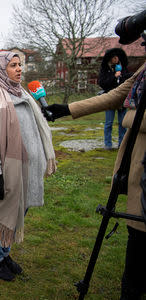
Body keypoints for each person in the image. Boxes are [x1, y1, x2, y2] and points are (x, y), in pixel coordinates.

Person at [45, 57, 146, 299]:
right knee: (138, 232)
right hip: (138, 150)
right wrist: (67, 109)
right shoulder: (144, 69)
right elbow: (117, 93)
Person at [0, 51, 57, 282]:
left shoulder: (24, 95)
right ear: (0, 70)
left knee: (20, 212)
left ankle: (4, 253)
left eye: (20, 64)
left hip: (27, 171)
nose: (19, 69)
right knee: (3, 216)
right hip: (6, 173)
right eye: (13, 65)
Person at [98, 48, 131, 150]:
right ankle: (108, 144)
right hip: (110, 97)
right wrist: (114, 76)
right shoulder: (105, 70)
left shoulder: (123, 68)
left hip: (121, 98)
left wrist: (122, 76)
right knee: (109, 123)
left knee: (122, 123)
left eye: (117, 57)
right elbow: (102, 83)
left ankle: (122, 144)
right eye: (114, 57)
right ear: (110, 59)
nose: (116, 59)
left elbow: (128, 80)